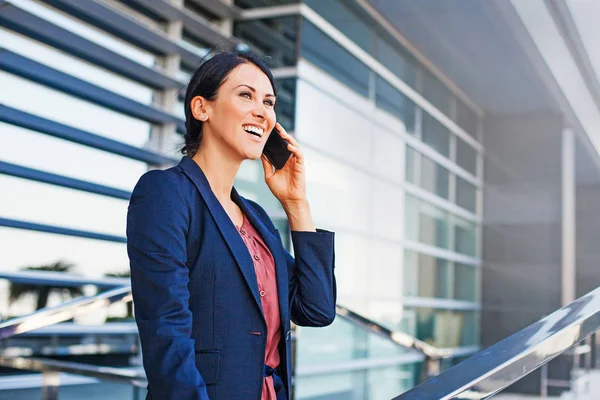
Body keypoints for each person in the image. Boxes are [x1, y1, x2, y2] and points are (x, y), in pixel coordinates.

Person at [126, 50, 337, 400]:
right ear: (201, 108)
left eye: (268, 102)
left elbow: (316, 309)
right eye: (246, 95)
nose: (262, 111)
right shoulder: (166, 193)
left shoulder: (254, 216)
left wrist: (296, 204)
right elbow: (167, 332)